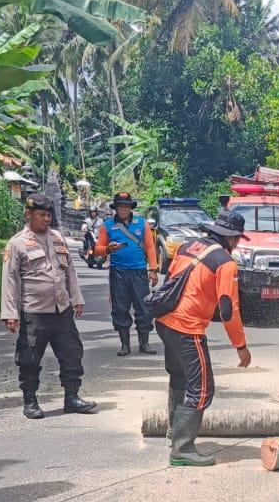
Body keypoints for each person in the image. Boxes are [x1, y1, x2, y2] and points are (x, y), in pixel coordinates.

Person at [156, 209, 252, 466]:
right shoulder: (225, 262)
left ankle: (173, 432)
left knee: (179, 377)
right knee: (202, 389)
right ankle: (182, 449)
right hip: (188, 329)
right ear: (232, 238)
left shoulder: (187, 246)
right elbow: (228, 309)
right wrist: (240, 346)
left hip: (165, 322)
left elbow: (170, 281)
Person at [2, 193, 97, 420]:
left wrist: (77, 298)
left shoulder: (57, 238)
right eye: (41, 215)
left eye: (49, 215)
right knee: (29, 358)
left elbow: (70, 270)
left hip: (61, 310)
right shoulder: (17, 243)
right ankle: (30, 401)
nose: (46, 219)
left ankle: (72, 397)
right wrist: (10, 313)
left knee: (72, 353)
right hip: (34, 312)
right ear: (29, 215)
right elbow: (10, 279)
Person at [94, 191, 159, 356]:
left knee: (144, 308)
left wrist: (153, 270)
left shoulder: (141, 223)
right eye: (120, 206)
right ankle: (125, 345)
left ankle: (144, 344)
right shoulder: (107, 226)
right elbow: (97, 249)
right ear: (116, 208)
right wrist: (108, 249)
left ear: (131, 208)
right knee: (120, 308)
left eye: (126, 206)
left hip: (139, 272)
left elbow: (150, 247)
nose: (123, 209)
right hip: (118, 273)